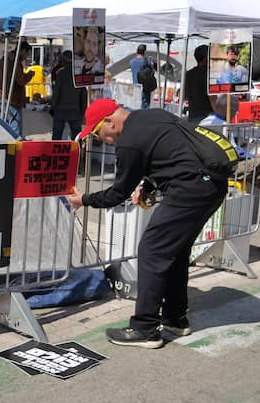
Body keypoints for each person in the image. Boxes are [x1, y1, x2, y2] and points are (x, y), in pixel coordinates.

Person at [65, 99, 233, 348]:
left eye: (99, 134)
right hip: (213, 185)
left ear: (110, 121)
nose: (103, 141)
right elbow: (173, 154)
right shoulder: (152, 115)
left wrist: (84, 199)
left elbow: (117, 193)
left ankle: (145, 328)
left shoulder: (129, 142)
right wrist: (149, 186)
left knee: (152, 251)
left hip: (189, 190)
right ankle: (175, 318)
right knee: (175, 252)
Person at [0, 42, 36, 138]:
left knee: (3, 125)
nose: (26, 57)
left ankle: (5, 143)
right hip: (11, 98)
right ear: (23, 51)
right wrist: (30, 74)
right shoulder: (15, 61)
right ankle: (15, 145)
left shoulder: (4, 59)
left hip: (0, 95)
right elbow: (20, 80)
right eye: (27, 54)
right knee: (15, 126)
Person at [50, 50, 82, 140]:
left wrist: (53, 106)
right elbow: (83, 93)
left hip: (60, 109)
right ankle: (78, 149)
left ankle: (55, 150)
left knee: (57, 136)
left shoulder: (61, 73)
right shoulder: (78, 74)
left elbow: (56, 92)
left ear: (63, 61)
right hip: (75, 109)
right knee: (77, 137)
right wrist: (83, 110)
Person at [185, 44, 212, 124]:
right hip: (207, 117)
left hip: (192, 115)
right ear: (206, 58)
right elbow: (212, 97)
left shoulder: (189, 74)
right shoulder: (209, 74)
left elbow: (186, 94)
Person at [129, 44, 156, 109]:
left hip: (136, 87)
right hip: (145, 87)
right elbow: (153, 71)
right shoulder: (148, 60)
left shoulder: (131, 62)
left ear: (137, 51)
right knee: (145, 107)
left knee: (136, 106)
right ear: (144, 52)